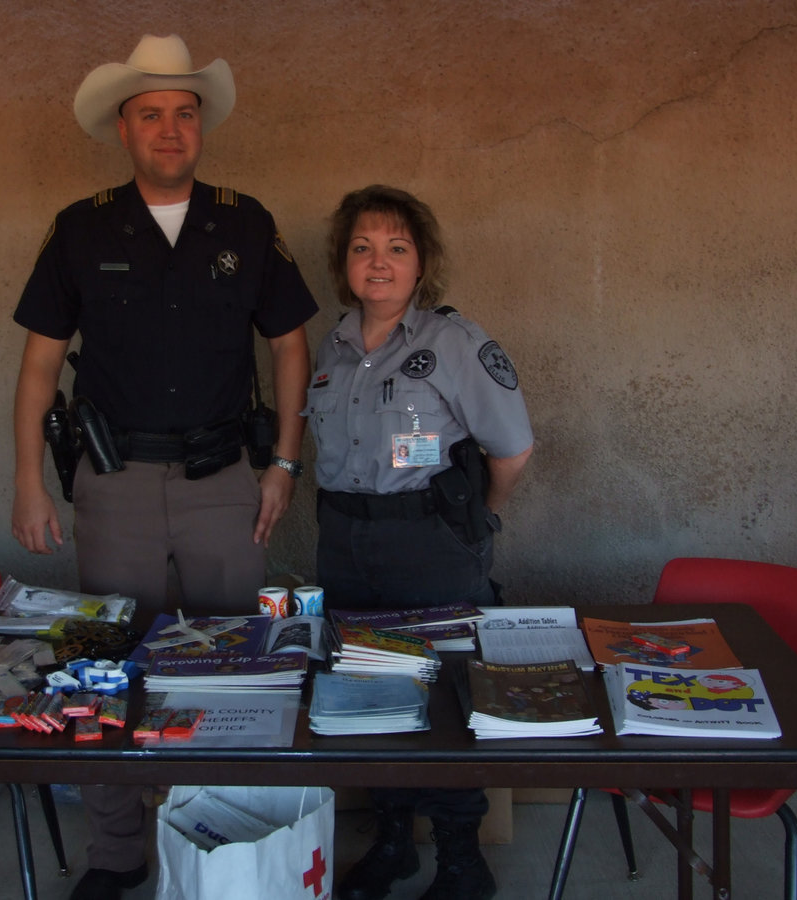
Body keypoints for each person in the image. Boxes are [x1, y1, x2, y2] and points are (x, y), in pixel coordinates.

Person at [10, 34, 317, 900]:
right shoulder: (81, 227)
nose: (170, 129)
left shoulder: (245, 223)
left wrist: (284, 464)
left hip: (224, 481)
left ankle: (223, 833)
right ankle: (118, 851)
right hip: (115, 485)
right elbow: (39, 365)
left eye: (185, 113)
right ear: (124, 129)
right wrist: (29, 480)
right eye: (151, 114)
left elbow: (291, 348)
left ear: (201, 125)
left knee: (234, 661)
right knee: (109, 661)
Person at [304, 185, 533, 900]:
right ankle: (394, 841)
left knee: (446, 697)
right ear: (344, 264)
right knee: (364, 689)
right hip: (346, 541)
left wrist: (477, 520)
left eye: (396, 248)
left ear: (421, 262)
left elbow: (513, 449)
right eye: (363, 248)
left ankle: (462, 859)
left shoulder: (453, 342)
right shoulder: (333, 346)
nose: (379, 263)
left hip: (430, 542)